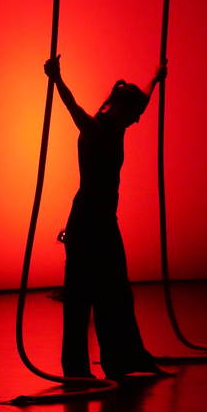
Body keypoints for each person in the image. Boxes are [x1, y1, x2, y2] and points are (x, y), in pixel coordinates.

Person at [43, 55, 170, 380]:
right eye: (134, 115)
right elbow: (72, 108)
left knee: (117, 293)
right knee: (80, 296)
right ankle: (77, 370)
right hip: (86, 224)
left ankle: (123, 360)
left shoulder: (116, 127)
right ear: (120, 108)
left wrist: (155, 79)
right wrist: (57, 79)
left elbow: (141, 102)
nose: (137, 121)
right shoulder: (95, 130)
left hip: (105, 223)